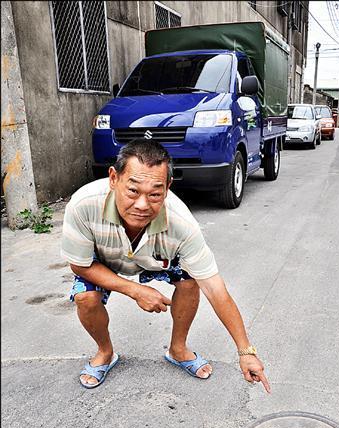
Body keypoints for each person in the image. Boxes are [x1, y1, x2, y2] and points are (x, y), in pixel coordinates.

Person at [61, 139, 271, 393]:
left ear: (168, 187)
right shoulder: (83, 205)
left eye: (155, 194)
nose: (142, 205)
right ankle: (105, 352)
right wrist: (136, 291)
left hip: (157, 258)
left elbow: (216, 289)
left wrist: (245, 351)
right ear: (114, 178)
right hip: (103, 260)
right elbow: (79, 265)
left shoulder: (183, 224)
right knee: (85, 297)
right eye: (133, 191)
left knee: (190, 279)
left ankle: (178, 348)